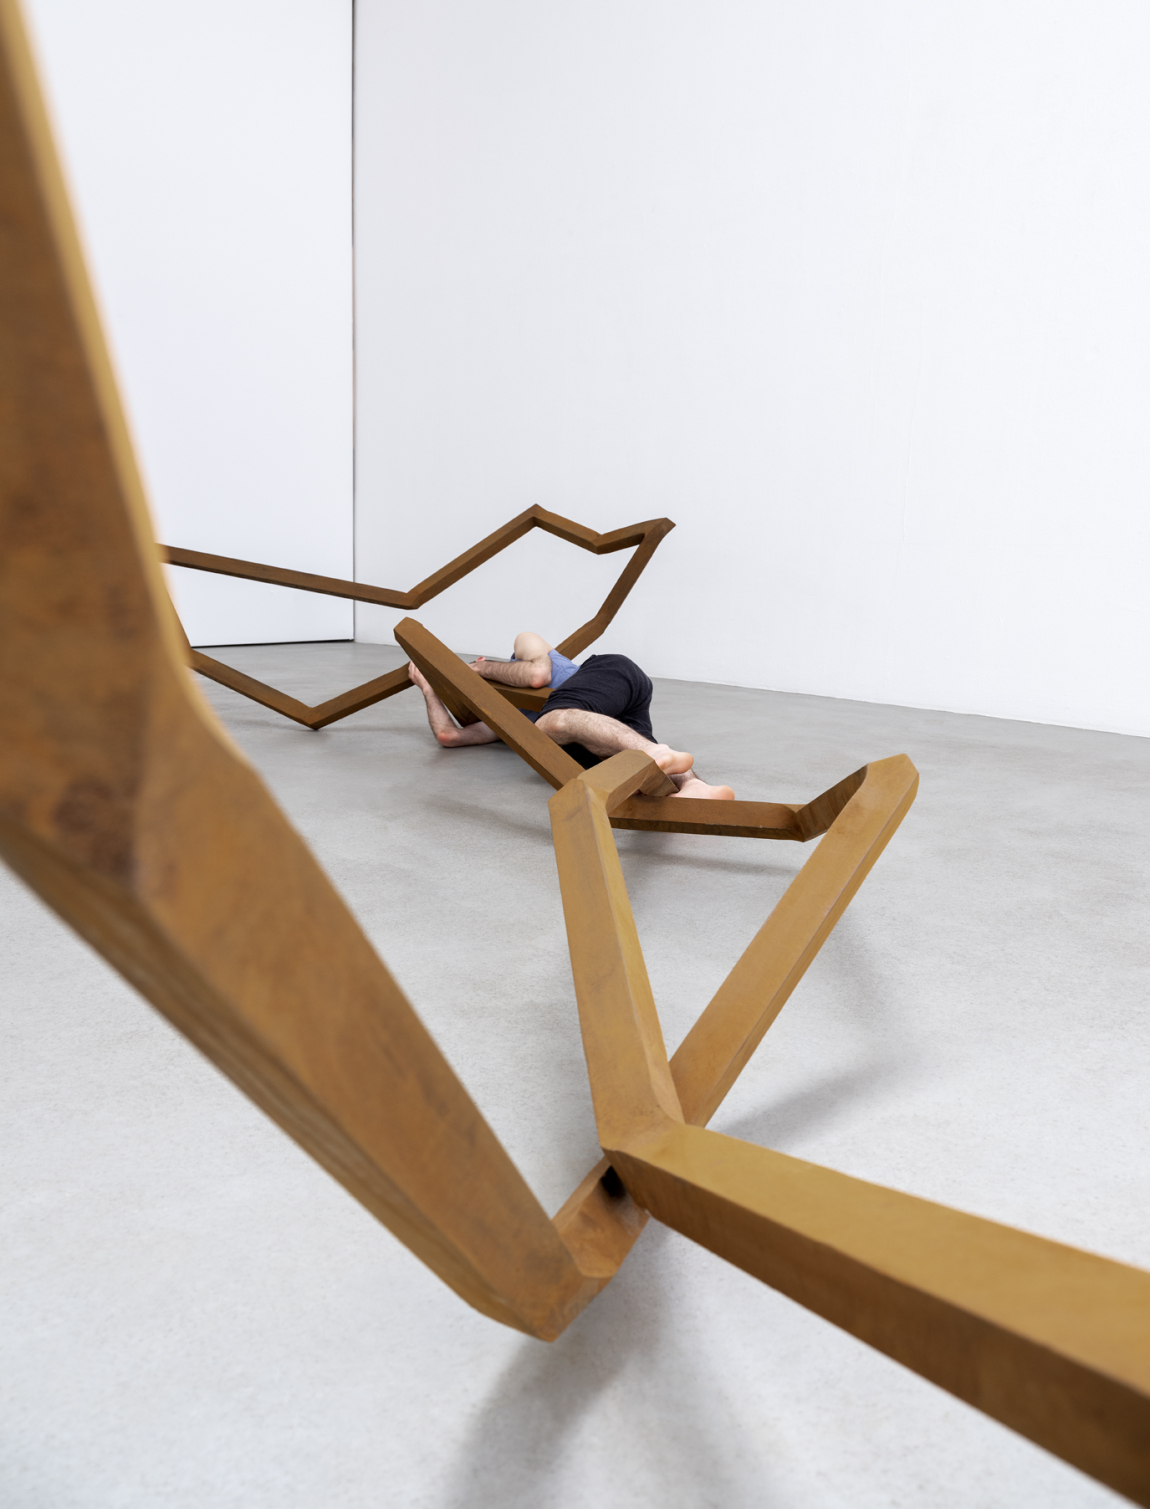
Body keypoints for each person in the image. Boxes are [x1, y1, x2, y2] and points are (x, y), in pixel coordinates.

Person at [407, 631, 735, 800]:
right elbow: (450, 736)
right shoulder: (504, 713)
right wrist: (428, 689)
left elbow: (537, 675)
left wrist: (479, 669)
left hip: (610, 675)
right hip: (600, 722)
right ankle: (695, 787)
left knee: (551, 723)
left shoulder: (524, 646)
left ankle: (651, 752)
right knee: (604, 760)